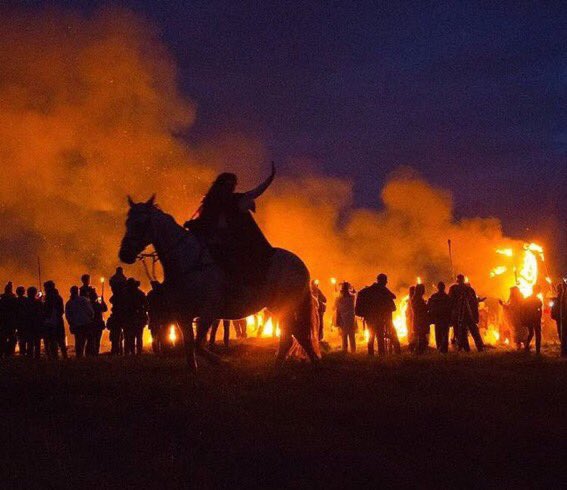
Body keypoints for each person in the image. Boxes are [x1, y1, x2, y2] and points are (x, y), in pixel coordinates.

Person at [184, 164, 276, 293]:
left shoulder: (235, 200)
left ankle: (235, 289)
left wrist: (269, 180)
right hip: (211, 238)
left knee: (232, 262)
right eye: (228, 185)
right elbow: (205, 221)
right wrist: (192, 224)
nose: (231, 188)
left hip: (230, 240)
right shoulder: (210, 201)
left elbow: (255, 192)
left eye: (232, 185)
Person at [355, 274, 399, 356]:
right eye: (385, 281)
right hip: (379, 318)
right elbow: (393, 296)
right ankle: (381, 355)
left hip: (370, 318)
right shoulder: (382, 290)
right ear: (382, 281)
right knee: (380, 337)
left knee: (371, 337)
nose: (386, 282)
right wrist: (385, 289)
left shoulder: (367, 291)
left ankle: (371, 355)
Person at [449, 275, 484, 352]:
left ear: (457, 280)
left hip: (461, 314)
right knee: (473, 331)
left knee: (461, 332)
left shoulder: (454, 289)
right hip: (467, 314)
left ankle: (466, 348)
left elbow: (450, 302)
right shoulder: (469, 289)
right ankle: (479, 347)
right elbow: (474, 302)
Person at [65, 286, 94, 358]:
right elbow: (90, 311)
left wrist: (71, 323)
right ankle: (88, 355)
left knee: (78, 341)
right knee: (89, 340)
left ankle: (79, 356)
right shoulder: (84, 300)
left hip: (76, 325)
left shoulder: (69, 303)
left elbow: (68, 315)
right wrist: (90, 318)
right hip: (86, 323)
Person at [122, 278, 147, 355]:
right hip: (137, 317)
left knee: (129, 337)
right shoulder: (140, 293)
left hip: (129, 317)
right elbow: (146, 305)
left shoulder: (124, 293)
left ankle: (129, 353)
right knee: (138, 336)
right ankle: (138, 353)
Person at [42, 281, 67, 359]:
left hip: (50, 322)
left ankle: (54, 357)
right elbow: (62, 310)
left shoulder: (48, 298)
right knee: (61, 340)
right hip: (58, 321)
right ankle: (64, 356)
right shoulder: (58, 297)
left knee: (52, 340)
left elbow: (45, 310)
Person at [427, 282, 452, 353]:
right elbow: (450, 308)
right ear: (444, 288)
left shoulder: (434, 296)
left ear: (438, 287)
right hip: (444, 319)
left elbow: (429, 306)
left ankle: (439, 348)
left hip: (437, 318)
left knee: (438, 334)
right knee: (444, 334)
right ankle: (444, 349)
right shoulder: (447, 297)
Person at [500, 286, 525, 350]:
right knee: (521, 330)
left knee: (518, 330)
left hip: (517, 317)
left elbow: (510, 307)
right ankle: (524, 345)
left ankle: (520, 346)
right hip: (520, 317)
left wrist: (502, 304)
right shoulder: (521, 297)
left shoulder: (514, 299)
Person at [334, 282, 357, 353]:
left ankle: (345, 349)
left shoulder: (339, 298)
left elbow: (336, 307)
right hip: (350, 316)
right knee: (351, 334)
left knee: (344, 334)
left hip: (343, 317)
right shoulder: (352, 297)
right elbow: (354, 293)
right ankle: (353, 350)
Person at [147, 281, 168, 353]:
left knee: (155, 334)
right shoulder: (163, 294)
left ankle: (156, 350)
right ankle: (163, 349)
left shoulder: (150, 294)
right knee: (162, 334)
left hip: (154, 317)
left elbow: (146, 305)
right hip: (161, 317)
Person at [0, 282, 18, 357]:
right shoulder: (14, 299)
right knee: (11, 337)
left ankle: (2, 351)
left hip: (3, 321)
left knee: (2, 337)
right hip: (11, 321)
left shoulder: (2, 299)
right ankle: (10, 352)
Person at [524, 285, 543, 354]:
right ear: (537, 290)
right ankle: (537, 350)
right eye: (539, 290)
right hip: (535, 318)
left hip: (530, 318)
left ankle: (526, 347)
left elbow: (524, 309)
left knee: (531, 333)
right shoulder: (537, 300)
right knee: (537, 334)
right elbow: (539, 309)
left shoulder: (528, 298)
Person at [411, 284, 429, 354]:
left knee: (421, 337)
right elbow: (422, 309)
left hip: (418, 320)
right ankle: (419, 352)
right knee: (421, 337)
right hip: (420, 321)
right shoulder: (418, 299)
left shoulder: (415, 298)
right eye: (423, 289)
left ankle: (419, 352)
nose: (424, 291)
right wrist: (428, 304)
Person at [26, 287, 44, 358]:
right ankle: (37, 356)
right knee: (37, 342)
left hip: (28, 324)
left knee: (29, 342)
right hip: (37, 324)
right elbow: (42, 312)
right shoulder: (38, 302)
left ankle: (29, 356)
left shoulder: (25, 302)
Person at [15, 285, 32, 356]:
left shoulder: (15, 301)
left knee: (21, 339)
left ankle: (22, 352)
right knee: (28, 338)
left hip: (19, 322)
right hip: (27, 322)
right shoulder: (27, 300)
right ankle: (29, 353)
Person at [406, 286, 416, 352]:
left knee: (412, 332)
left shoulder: (412, 299)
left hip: (412, 318)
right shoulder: (412, 299)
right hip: (411, 318)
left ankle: (412, 345)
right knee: (411, 331)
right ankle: (412, 345)